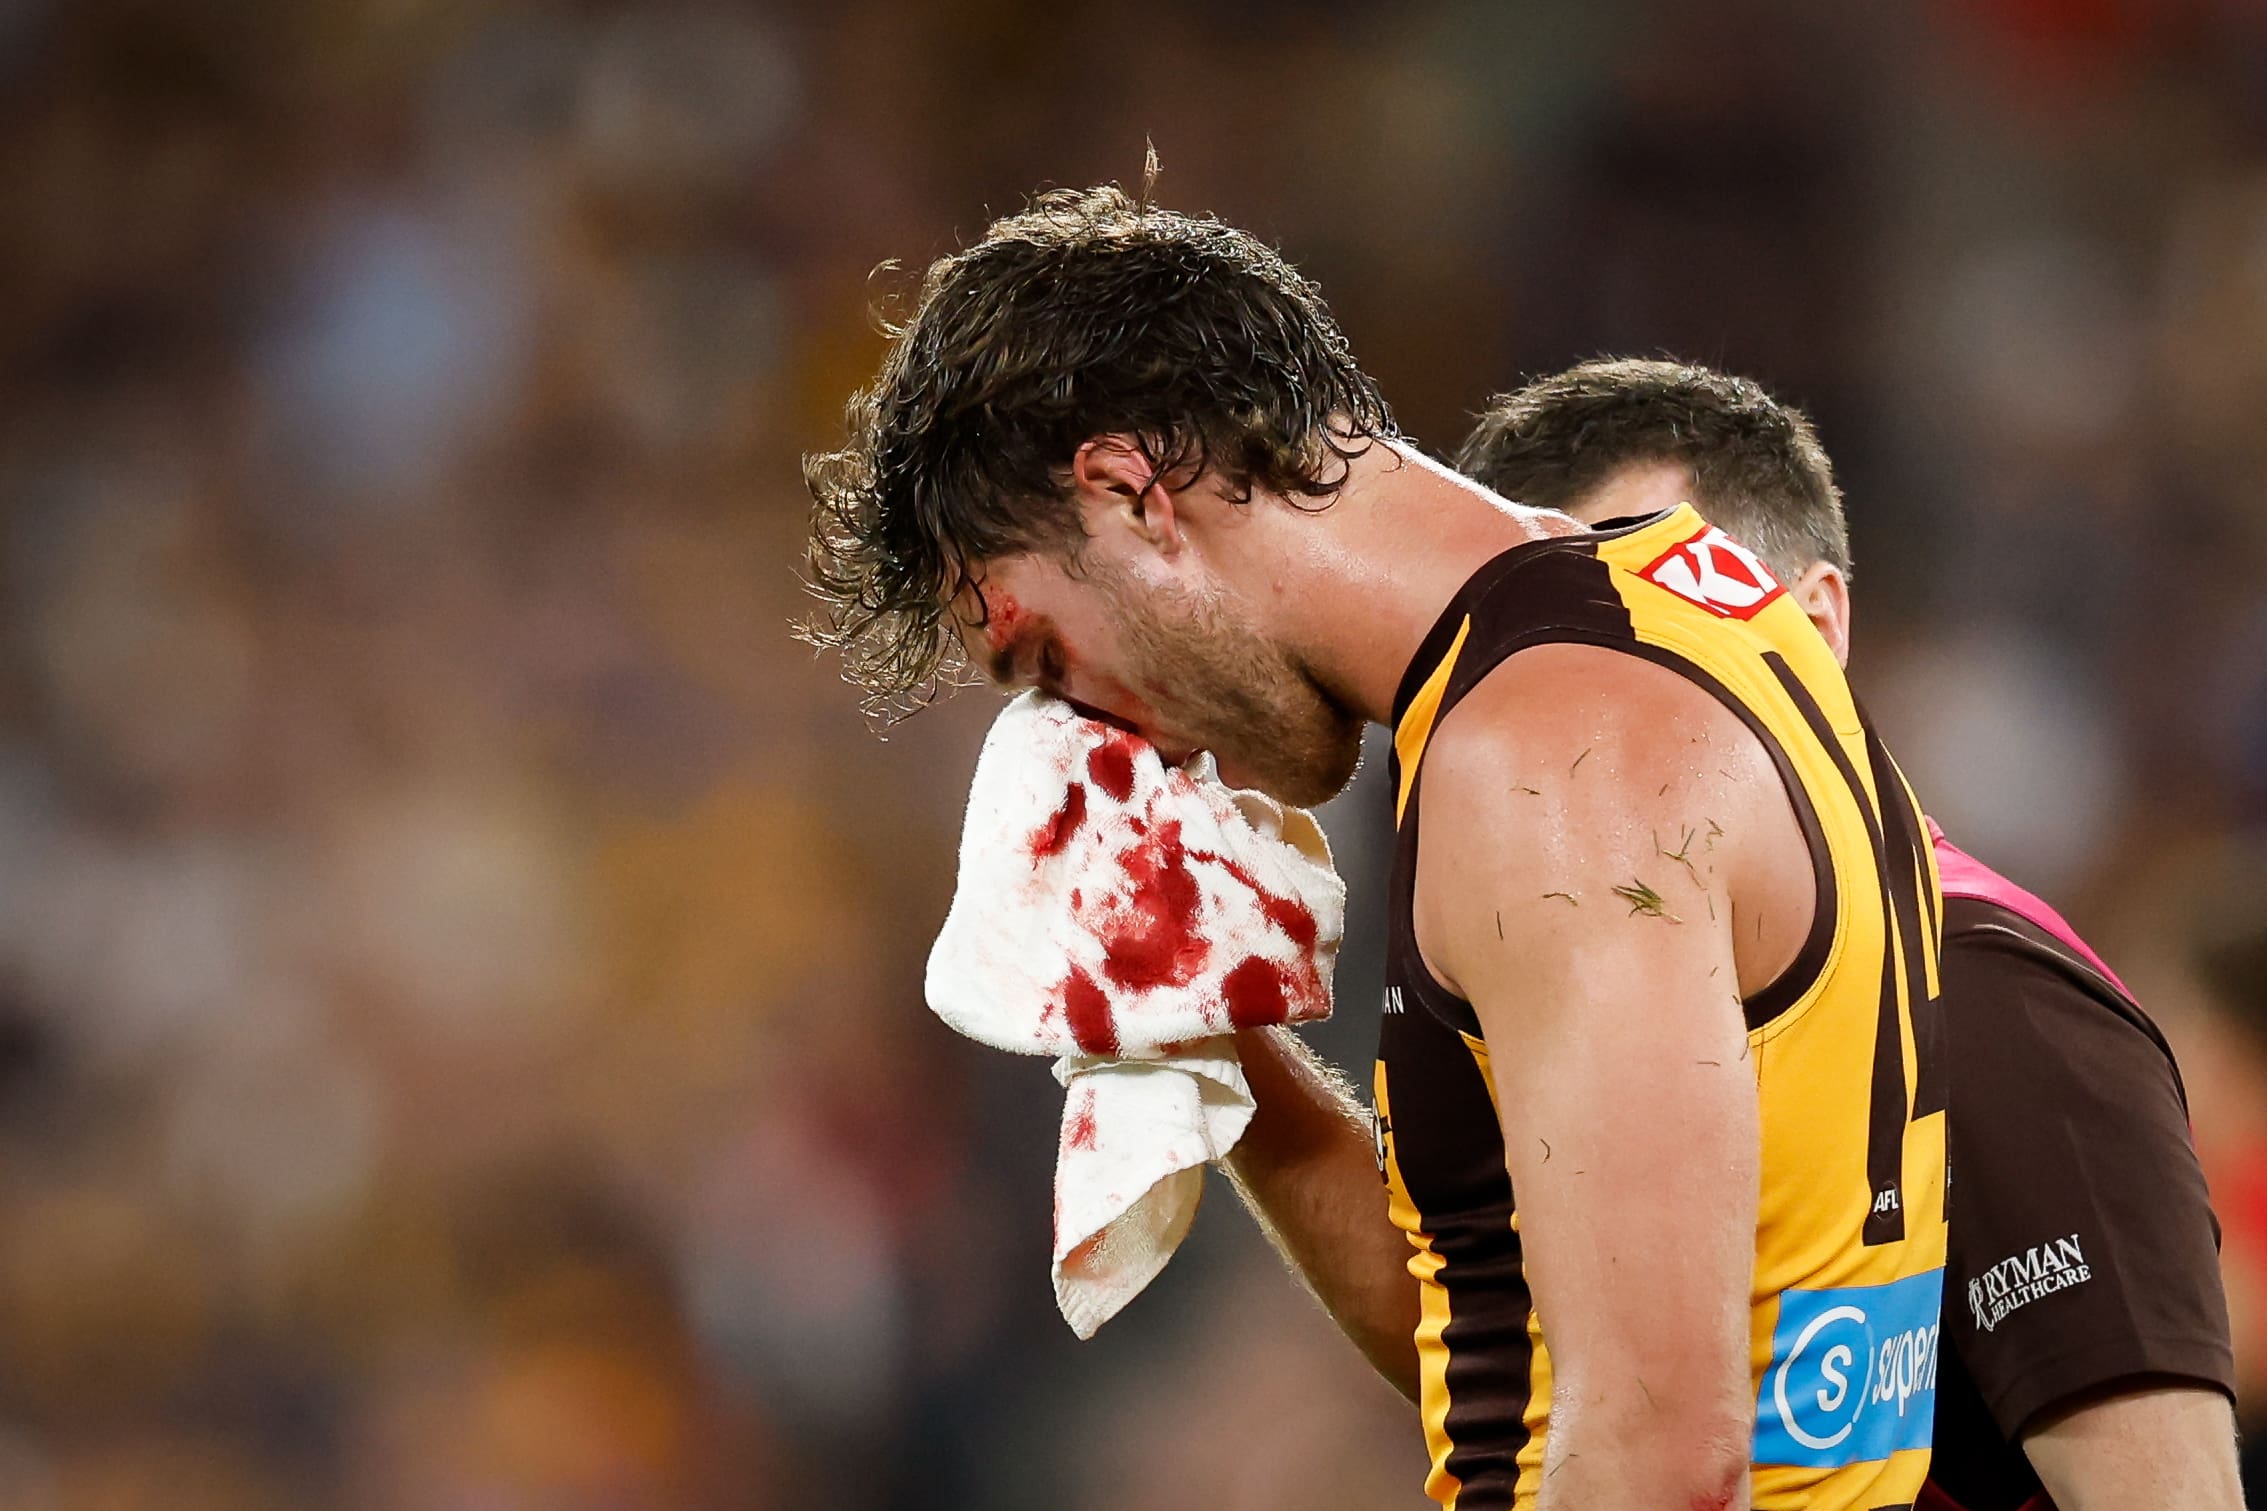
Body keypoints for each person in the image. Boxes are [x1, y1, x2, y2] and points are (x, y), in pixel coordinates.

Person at [803, 185, 1947, 1510]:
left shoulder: (1541, 761)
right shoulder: (1678, 612)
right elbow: (1511, 1353)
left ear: (1128, 495)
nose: (1089, 733)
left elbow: (1656, 1453)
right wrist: (1200, 1015)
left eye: (1048, 656)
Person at [1454, 357, 2243, 1511]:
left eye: (1640, 618)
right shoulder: (1599, 1005)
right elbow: (1506, 1404)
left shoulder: (1979, 993)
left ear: (1813, 627)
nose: (1588, 699)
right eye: (1538, 654)